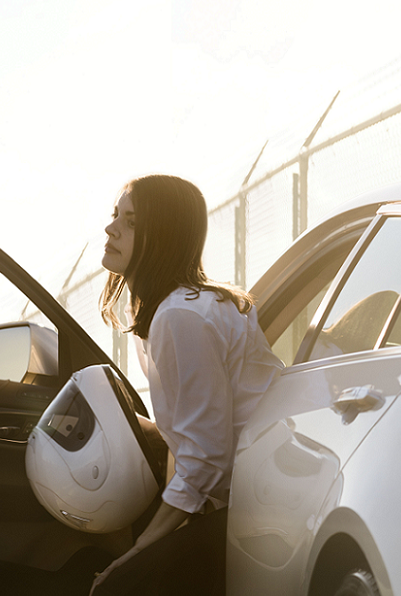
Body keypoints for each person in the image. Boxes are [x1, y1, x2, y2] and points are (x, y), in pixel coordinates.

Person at [91, 174, 283, 595]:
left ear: (164, 235)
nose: (111, 228)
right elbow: (188, 444)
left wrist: (141, 549)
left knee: (116, 586)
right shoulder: (173, 310)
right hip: (240, 499)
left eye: (131, 222)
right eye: (115, 216)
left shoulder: (182, 317)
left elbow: (205, 457)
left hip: (255, 510)